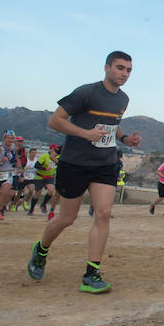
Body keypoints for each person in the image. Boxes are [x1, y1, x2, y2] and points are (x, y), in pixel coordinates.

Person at [26, 51, 141, 294]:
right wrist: (85, 133)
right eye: (120, 68)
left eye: (129, 70)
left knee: (103, 213)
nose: (125, 74)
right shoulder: (86, 92)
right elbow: (55, 121)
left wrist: (124, 138)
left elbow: (112, 124)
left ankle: (91, 274)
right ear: (107, 68)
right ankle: (41, 249)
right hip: (75, 162)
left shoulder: (123, 99)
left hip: (105, 163)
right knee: (67, 218)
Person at [28, 144, 59, 218]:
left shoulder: (58, 157)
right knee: (37, 193)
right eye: (53, 149)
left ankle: (43, 204)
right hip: (40, 176)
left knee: (51, 191)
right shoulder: (44, 156)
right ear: (50, 149)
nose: (54, 151)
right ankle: (31, 208)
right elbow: (36, 165)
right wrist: (44, 168)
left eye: (55, 150)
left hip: (50, 177)